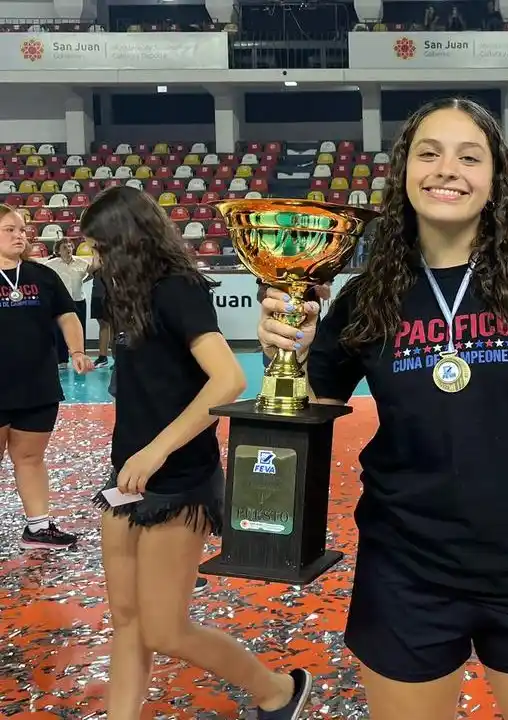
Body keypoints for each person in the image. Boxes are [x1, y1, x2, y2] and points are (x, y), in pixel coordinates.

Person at [258, 96, 508, 720]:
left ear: (494, 180)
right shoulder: (367, 295)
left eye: (470, 157)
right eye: (429, 153)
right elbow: (311, 409)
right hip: (407, 566)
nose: (447, 170)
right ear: (404, 170)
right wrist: (287, 356)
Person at [84, 187, 312, 720]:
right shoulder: (118, 291)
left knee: (165, 628)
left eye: (98, 248)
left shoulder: (178, 290)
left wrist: (157, 450)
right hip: (127, 480)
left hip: (178, 478)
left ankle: (278, 690)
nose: (91, 260)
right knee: (127, 620)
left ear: (127, 243)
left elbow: (229, 380)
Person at [0, 204, 90, 550]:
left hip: (37, 385)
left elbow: (68, 316)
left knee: (30, 458)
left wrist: (78, 352)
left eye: (22, 230)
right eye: (10, 229)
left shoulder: (43, 275)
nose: (19, 235)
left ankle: (38, 528)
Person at [44, 238, 92, 365]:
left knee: (81, 329)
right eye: (64, 247)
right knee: (59, 331)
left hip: (78, 300)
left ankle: (82, 358)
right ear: (58, 251)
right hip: (61, 302)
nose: (68, 249)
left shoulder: (82, 263)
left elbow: (90, 275)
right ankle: (62, 360)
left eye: (70, 246)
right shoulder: (50, 264)